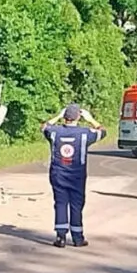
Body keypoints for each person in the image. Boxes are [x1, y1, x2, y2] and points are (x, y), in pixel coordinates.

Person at [42, 104, 106, 247]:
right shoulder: (85, 133)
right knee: (76, 205)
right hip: (77, 175)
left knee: (60, 203)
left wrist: (57, 116)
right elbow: (103, 131)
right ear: (79, 117)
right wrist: (91, 119)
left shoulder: (54, 132)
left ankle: (60, 237)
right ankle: (78, 238)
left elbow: (44, 127)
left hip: (58, 174)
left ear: (65, 117)